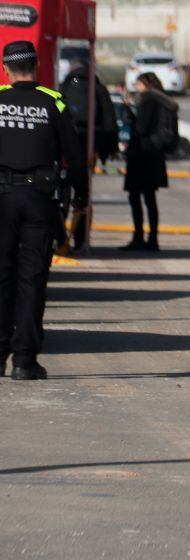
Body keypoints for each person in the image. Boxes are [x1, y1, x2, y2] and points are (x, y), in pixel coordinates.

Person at [0, 41, 88, 379]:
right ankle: (24, 360)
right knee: (32, 278)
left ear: (5, 68)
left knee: (2, 276)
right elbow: (75, 158)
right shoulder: (53, 102)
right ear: (37, 66)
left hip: (2, 200)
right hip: (39, 199)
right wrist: (81, 196)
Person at [57, 64, 118, 252]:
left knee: (62, 193)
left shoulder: (64, 87)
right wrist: (108, 150)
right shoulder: (98, 89)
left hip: (65, 148)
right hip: (89, 147)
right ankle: (80, 239)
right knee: (83, 194)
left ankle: (59, 239)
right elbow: (109, 122)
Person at [121, 72, 177, 252]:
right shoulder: (162, 100)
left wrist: (128, 109)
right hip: (154, 155)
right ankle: (152, 238)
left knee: (135, 197)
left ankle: (139, 237)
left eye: (138, 84)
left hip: (142, 154)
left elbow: (141, 127)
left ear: (145, 84)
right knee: (150, 199)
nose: (136, 87)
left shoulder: (147, 100)